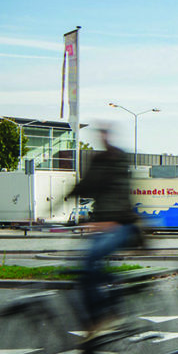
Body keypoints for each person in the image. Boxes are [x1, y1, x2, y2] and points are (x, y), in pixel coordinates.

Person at [66, 126, 141, 329]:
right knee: (83, 268)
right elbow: (86, 184)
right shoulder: (98, 162)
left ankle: (106, 312)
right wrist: (57, 202)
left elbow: (118, 194)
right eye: (100, 135)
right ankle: (94, 318)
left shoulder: (119, 162)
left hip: (122, 225)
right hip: (103, 225)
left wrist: (110, 222)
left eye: (105, 134)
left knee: (91, 259)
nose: (102, 138)